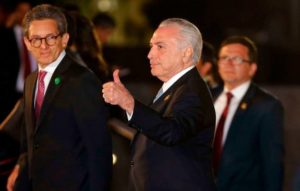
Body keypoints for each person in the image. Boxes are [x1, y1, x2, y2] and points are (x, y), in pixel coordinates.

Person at [6, 4, 112, 191]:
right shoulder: (31, 81)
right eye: (36, 39)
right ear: (27, 43)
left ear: (64, 39)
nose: (44, 46)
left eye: (51, 38)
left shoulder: (82, 81)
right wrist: (19, 168)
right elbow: (30, 140)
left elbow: (98, 150)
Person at [102, 18, 216, 191]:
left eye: (160, 46)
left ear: (186, 53)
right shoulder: (175, 88)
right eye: (151, 46)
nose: (150, 54)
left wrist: (128, 102)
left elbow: (171, 131)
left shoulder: (192, 91)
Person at [212, 35, 284, 191]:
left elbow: (272, 163)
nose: (229, 63)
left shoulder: (267, 106)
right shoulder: (207, 98)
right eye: (224, 58)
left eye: (237, 59)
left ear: (252, 68)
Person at [0, 1, 36, 122]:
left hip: (33, 95)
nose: (25, 15)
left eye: (28, 12)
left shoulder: (38, 37)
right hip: (11, 95)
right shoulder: (6, 35)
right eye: (21, 11)